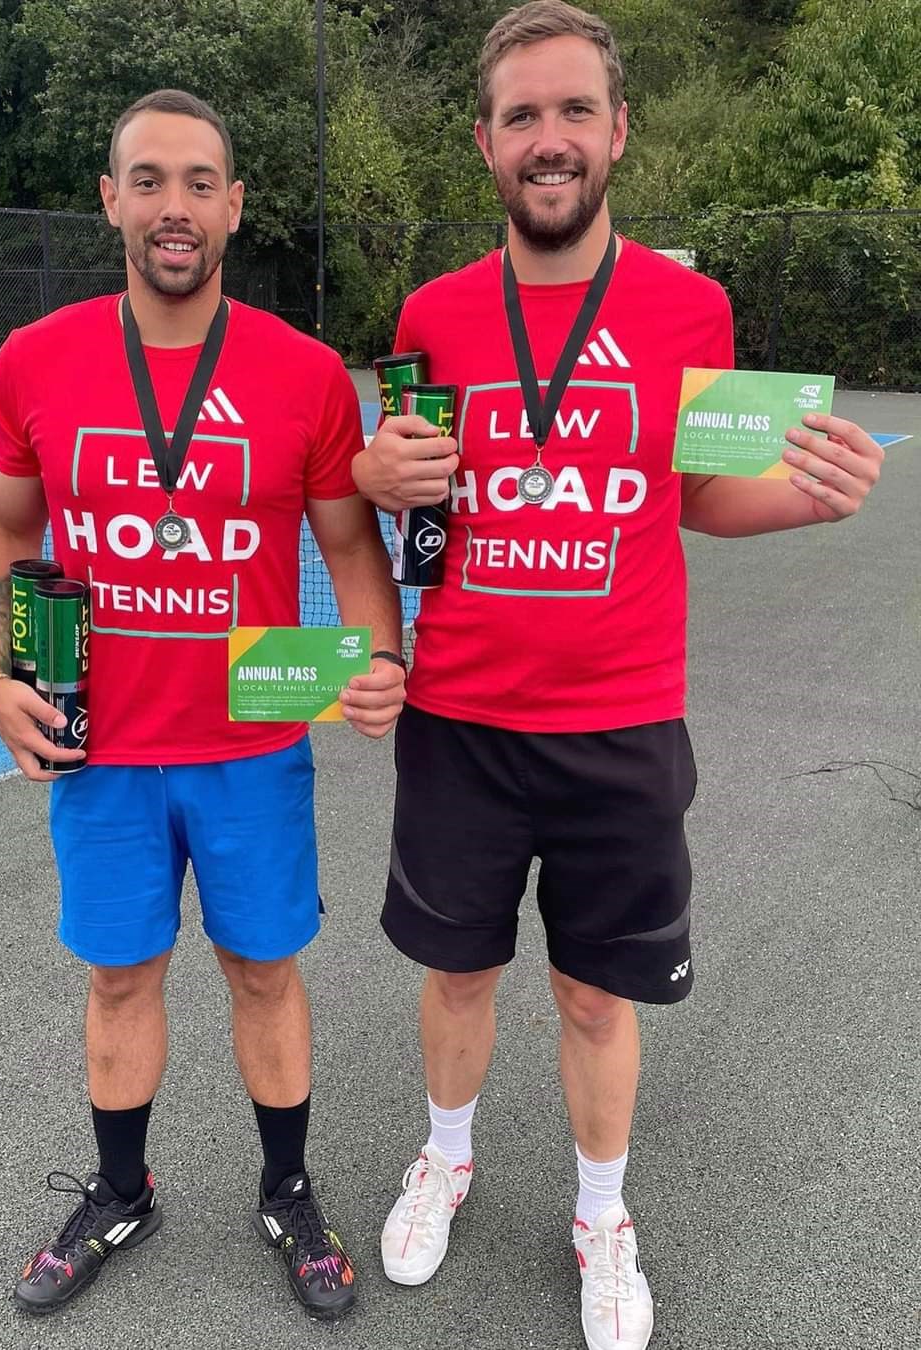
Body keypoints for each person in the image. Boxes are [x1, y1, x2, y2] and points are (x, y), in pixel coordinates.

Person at [351, 5, 884, 1349]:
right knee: (459, 970)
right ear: (485, 144)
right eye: (522, 116)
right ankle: (449, 1157)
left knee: (596, 990)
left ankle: (603, 1214)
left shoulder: (689, 306)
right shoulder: (432, 313)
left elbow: (699, 489)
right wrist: (378, 473)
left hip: (622, 719)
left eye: (573, 111)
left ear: (618, 130)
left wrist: (810, 501)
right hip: (463, 721)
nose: (550, 139)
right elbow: (413, 511)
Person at [0, 89, 405, 1321]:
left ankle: (287, 1190)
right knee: (120, 980)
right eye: (148, 179)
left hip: (251, 744)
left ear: (234, 206)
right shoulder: (37, 359)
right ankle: (121, 1192)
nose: (174, 205)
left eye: (200, 181)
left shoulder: (307, 372)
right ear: (110, 198)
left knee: (264, 973)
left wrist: (378, 656)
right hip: (98, 749)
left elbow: (351, 543)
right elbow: (2, 535)